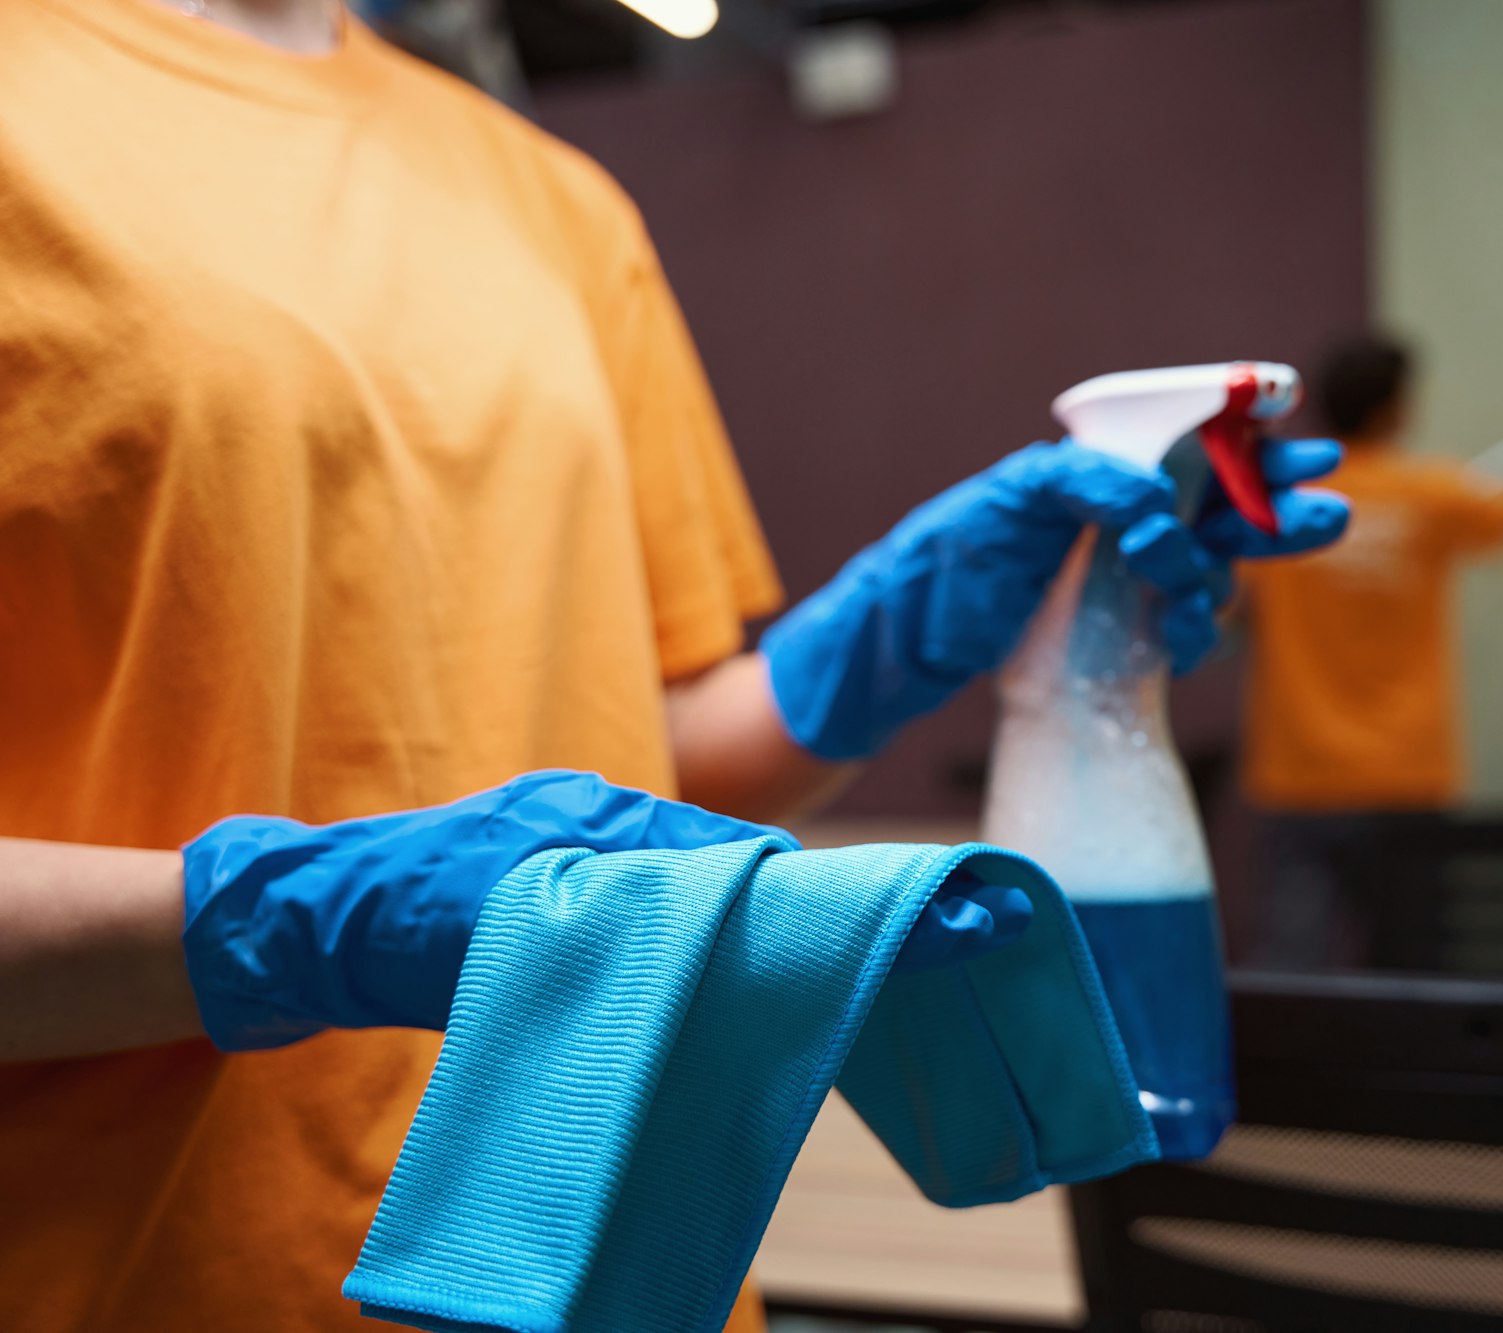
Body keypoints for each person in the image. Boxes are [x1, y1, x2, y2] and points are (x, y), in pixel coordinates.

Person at [0, 1, 1349, 1328]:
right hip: (153, 1274)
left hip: (633, 1272)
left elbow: (661, 758)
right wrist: (294, 919)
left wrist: (898, 630)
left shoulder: (556, 199)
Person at [1236, 334, 1503, 969]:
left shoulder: (1279, 504)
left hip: (1300, 772)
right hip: (1406, 771)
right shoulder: (1432, 493)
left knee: (1294, 972)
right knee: (1416, 969)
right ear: (1393, 410)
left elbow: (1226, 608)